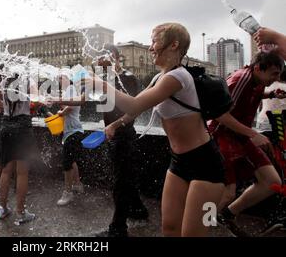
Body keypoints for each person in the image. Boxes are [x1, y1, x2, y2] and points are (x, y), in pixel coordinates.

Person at [91, 23, 225, 236]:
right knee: (169, 228)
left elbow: (133, 105)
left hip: (206, 165)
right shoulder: (159, 77)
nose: (151, 47)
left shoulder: (178, 77)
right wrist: (115, 125)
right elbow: (137, 106)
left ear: (174, 45)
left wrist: (99, 83)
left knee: (196, 233)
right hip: (178, 162)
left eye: (154, 41)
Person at [208, 51, 284, 236]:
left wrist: (270, 94)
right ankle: (200, 227)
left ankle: (227, 215)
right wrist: (253, 134)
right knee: (228, 192)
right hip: (222, 136)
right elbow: (219, 114)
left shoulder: (256, 80)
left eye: (279, 74)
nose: (277, 78)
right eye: (274, 73)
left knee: (272, 182)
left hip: (240, 136)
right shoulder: (240, 79)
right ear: (258, 68)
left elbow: (251, 94)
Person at [93, 45, 148, 237]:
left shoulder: (127, 78)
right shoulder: (102, 80)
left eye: (103, 57)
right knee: (124, 178)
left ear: (115, 58)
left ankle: (118, 227)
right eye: (97, 58)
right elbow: (88, 100)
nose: (99, 61)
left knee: (121, 181)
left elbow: (134, 110)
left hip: (124, 136)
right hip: (113, 136)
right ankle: (138, 210)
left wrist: (115, 126)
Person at [0, 72, 38, 225]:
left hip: (6, 125)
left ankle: (3, 208)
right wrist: (30, 105)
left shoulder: (4, 82)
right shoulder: (28, 80)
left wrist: (4, 107)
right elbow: (37, 100)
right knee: (22, 173)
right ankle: (21, 212)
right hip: (22, 126)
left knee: (6, 170)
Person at [47, 70, 85, 206]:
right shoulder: (69, 90)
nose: (59, 80)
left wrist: (61, 112)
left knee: (67, 163)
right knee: (71, 160)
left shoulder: (70, 89)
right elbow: (68, 106)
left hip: (73, 131)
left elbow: (70, 107)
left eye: (61, 77)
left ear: (68, 79)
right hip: (73, 131)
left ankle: (68, 193)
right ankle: (77, 185)